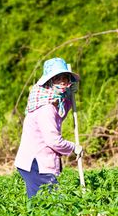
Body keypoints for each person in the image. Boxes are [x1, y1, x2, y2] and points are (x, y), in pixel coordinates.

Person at [14, 57, 83, 198]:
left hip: (35, 161)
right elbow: (53, 141)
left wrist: (69, 98)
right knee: (51, 202)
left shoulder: (50, 103)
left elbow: (58, 118)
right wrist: (73, 147)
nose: (63, 82)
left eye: (65, 78)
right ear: (49, 82)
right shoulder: (46, 108)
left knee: (43, 202)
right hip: (35, 163)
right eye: (58, 78)